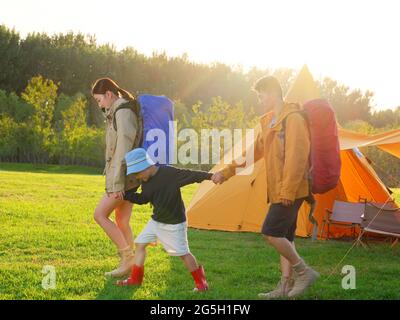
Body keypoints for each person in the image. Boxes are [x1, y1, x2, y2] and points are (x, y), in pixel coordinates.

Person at [212, 76, 319, 299]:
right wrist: (227, 171)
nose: (259, 101)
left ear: (272, 92)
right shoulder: (271, 122)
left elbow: (297, 157)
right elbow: (253, 153)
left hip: (290, 189)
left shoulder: (294, 118)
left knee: (270, 232)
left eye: (261, 96)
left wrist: (288, 190)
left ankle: (304, 272)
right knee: (285, 236)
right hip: (280, 189)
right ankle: (284, 287)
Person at [116, 148, 214, 291]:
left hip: (175, 223)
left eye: (138, 173)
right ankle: (135, 279)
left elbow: (192, 175)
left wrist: (211, 176)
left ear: (146, 166)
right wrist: (126, 195)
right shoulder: (146, 181)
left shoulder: (169, 174)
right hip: (156, 221)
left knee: (183, 253)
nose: (138, 177)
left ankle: (201, 283)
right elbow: (144, 198)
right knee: (140, 244)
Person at [92, 78, 141, 277]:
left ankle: (128, 257)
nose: (99, 104)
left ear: (109, 95)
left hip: (124, 179)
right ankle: (132, 266)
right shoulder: (117, 112)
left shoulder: (122, 112)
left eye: (99, 100)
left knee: (100, 215)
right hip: (128, 177)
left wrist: (117, 182)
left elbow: (123, 148)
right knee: (122, 221)